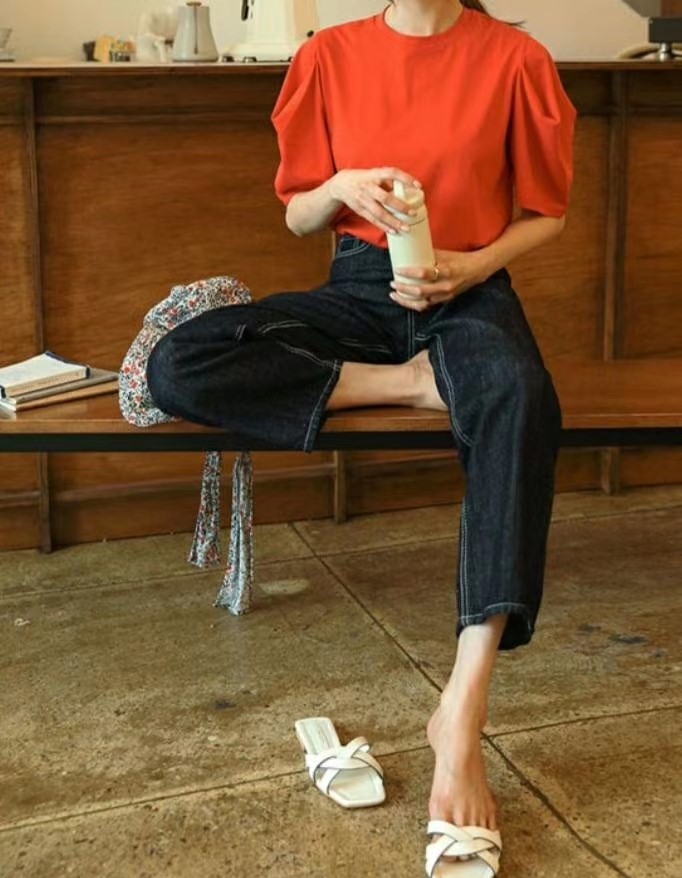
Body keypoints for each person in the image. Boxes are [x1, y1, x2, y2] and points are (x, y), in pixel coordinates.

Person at [147, 0, 577, 864]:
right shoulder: (328, 58)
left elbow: (548, 212)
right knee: (179, 360)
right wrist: (340, 189)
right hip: (357, 288)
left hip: (468, 288)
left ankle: (461, 711)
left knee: (521, 395)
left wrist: (471, 267)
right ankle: (410, 383)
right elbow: (298, 215)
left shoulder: (515, 60)